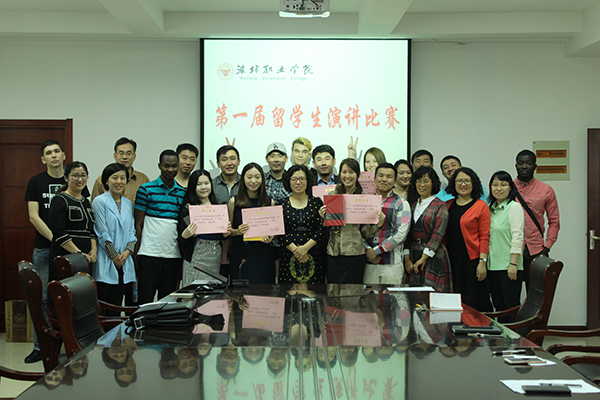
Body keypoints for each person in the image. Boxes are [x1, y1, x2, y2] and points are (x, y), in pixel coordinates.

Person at [24, 140, 89, 363]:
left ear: (64, 155)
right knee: (42, 298)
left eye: (56, 151)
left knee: (74, 297)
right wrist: (58, 239)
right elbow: (34, 217)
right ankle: (40, 346)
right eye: (48, 153)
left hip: (73, 252)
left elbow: (84, 210)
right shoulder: (36, 182)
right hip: (45, 249)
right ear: (43, 159)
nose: (53, 155)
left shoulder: (75, 179)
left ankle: (73, 343)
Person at [318, 158, 384, 283]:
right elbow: (326, 229)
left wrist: (378, 226)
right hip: (334, 253)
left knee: (353, 292)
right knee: (333, 291)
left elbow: (365, 233)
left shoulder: (363, 198)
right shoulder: (332, 196)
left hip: (355, 254)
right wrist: (323, 218)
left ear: (357, 174)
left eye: (351, 172)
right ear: (339, 174)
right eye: (344, 172)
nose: (347, 176)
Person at [134, 150, 185, 304]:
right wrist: (136, 254)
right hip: (148, 255)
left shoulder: (182, 193)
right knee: (145, 302)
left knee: (167, 303)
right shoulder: (145, 190)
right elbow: (138, 224)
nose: (170, 169)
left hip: (173, 256)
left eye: (174, 166)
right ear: (159, 166)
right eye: (166, 166)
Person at [446, 167, 492, 312]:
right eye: (459, 181)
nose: (463, 184)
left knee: (471, 301)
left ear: (474, 183)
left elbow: (484, 236)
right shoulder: (447, 205)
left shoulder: (481, 206)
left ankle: (473, 326)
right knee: (453, 301)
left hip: (471, 261)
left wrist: (482, 262)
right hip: (450, 261)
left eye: (467, 181)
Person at [92, 163, 136, 313]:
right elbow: (101, 232)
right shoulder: (99, 201)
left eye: (122, 178)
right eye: (114, 178)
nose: (119, 182)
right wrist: (114, 256)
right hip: (107, 260)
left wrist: (126, 253)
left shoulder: (127, 203)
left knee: (117, 307)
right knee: (103, 308)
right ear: (106, 180)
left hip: (124, 261)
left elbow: (132, 232)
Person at [514, 149, 560, 287]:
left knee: (536, 292)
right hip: (511, 249)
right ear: (516, 165)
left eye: (528, 163)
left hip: (536, 250)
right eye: (521, 163)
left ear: (535, 166)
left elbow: (554, 221)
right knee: (511, 294)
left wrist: (547, 247)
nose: (524, 166)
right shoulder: (507, 188)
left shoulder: (546, 190)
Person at [404, 166, 452, 292]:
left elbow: (438, 234)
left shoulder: (440, 205)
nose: (422, 185)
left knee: (433, 295)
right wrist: (407, 258)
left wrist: (424, 257)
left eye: (426, 181)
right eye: (419, 181)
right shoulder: (412, 206)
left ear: (433, 183)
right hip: (413, 255)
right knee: (414, 295)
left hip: (433, 255)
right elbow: (407, 235)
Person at [227, 162, 276, 283]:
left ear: (262, 179)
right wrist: (237, 231)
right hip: (240, 253)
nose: (253, 181)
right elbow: (227, 232)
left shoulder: (269, 202)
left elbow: (273, 230)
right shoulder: (234, 202)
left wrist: (271, 237)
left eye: (257, 177)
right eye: (249, 177)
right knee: (241, 292)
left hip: (263, 255)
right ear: (243, 179)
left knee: (264, 290)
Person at [48, 161, 97, 282]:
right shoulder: (60, 200)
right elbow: (59, 233)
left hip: (85, 258)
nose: (80, 179)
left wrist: (93, 250)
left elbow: (91, 231)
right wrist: (78, 254)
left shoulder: (86, 202)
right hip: (65, 256)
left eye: (83, 175)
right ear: (66, 178)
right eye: (75, 176)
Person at [364, 163, 411, 284]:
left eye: (389, 177)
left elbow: (400, 235)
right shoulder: (365, 201)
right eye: (381, 175)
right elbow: (358, 230)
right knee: (368, 296)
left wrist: (375, 251)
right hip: (368, 263)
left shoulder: (401, 203)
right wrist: (368, 250)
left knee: (392, 296)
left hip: (392, 265)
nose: (384, 179)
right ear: (374, 179)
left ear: (395, 181)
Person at [178, 170, 227, 286]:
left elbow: (222, 236)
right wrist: (185, 235)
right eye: (199, 184)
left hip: (215, 254)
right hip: (196, 254)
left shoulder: (218, 207)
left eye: (206, 183)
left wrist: (226, 233)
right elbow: (181, 239)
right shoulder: (188, 208)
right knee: (192, 291)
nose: (203, 187)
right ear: (192, 187)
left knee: (211, 291)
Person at [278, 165, 325, 284]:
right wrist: (296, 251)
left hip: (313, 254)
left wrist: (305, 248)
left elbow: (322, 228)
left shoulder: (317, 202)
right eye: (294, 179)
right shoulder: (281, 204)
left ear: (308, 181)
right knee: (289, 292)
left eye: (302, 179)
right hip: (288, 255)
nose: (298, 182)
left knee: (314, 292)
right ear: (288, 181)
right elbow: (279, 232)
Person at [487, 171, 525, 313]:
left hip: (509, 267)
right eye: (495, 185)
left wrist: (513, 264)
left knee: (510, 307)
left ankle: (514, 330)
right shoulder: (490, 209)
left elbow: (518, 237)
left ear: (510, 188)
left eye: (503, 185)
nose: (499, 188)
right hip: (492, 267)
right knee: (498, 307)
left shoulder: (514, 207)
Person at [91, 137, 150, 204]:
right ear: (115, 156)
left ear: (134, 157)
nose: (124, 157)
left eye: (128, 154)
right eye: (121, 153)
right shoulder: (102, 180)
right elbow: (95, 206)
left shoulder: (143, 180)